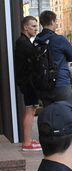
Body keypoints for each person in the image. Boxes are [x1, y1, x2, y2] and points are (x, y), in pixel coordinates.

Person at [34, 11, 72, 106]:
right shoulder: (59, 39)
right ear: (52, 22)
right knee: (67, 115)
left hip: (43, 84)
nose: (56, 24)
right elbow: (71, 56)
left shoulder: (37, 40)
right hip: (61, 83)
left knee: (50, 116)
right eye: (56, 21)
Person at [14, 15, 41, 152]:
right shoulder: (23, 43)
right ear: (26, 27)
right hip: (28, 82)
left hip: (27, 81)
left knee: (31, 109)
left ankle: (28, 140)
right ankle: (27, 142)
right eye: (33, 26)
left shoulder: (23, 42)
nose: (36, 29)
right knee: (30, 110)